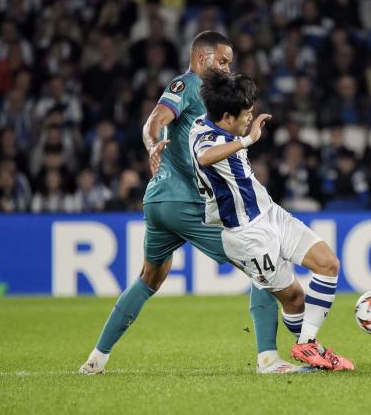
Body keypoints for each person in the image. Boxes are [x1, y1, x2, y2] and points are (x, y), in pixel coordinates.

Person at [79, 31, 307, 376]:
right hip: (190, 203)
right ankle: (268, 360)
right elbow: (154, 120)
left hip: (159, 202)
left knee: (149, 278)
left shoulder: (215, 96)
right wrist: (152, 143)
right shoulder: (187, 86)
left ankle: (96, 360)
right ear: (202, 58)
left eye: (230, 62)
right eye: (223, 61)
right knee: (262, 265)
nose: (228, 69)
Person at [189, 70, 354, 371]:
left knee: (328, 264)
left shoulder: (205, 121)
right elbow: (204, 157)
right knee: (294, 298)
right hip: (246, 233)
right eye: (246, 115)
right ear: (227, 116)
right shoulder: (207, 137)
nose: (250, 120)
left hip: (270, 213)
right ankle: (306, 348)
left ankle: (307, 345)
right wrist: (247, 141)